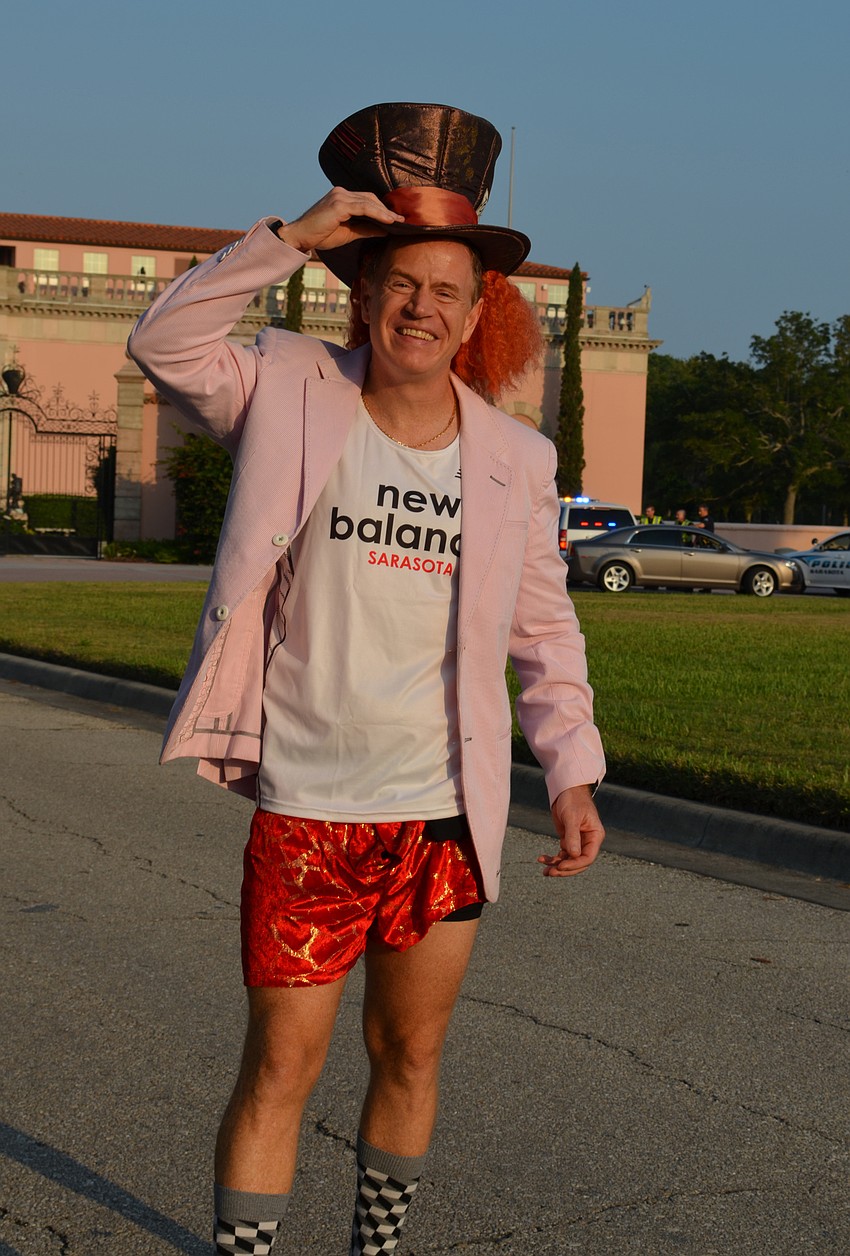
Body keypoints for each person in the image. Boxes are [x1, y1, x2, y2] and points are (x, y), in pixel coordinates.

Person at [129, 101, 606, 1256]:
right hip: (310, 805)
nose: (421, 307)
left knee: (412, 1054)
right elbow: (165, 344)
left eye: (446, 289)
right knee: (282, 1064)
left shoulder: (514, 458)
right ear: (364, 291)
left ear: (474, 309)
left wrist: (575, 770)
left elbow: (545, 633)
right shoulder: (289, 389)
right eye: (400, 282)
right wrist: (286, 238)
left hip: (441, 810)